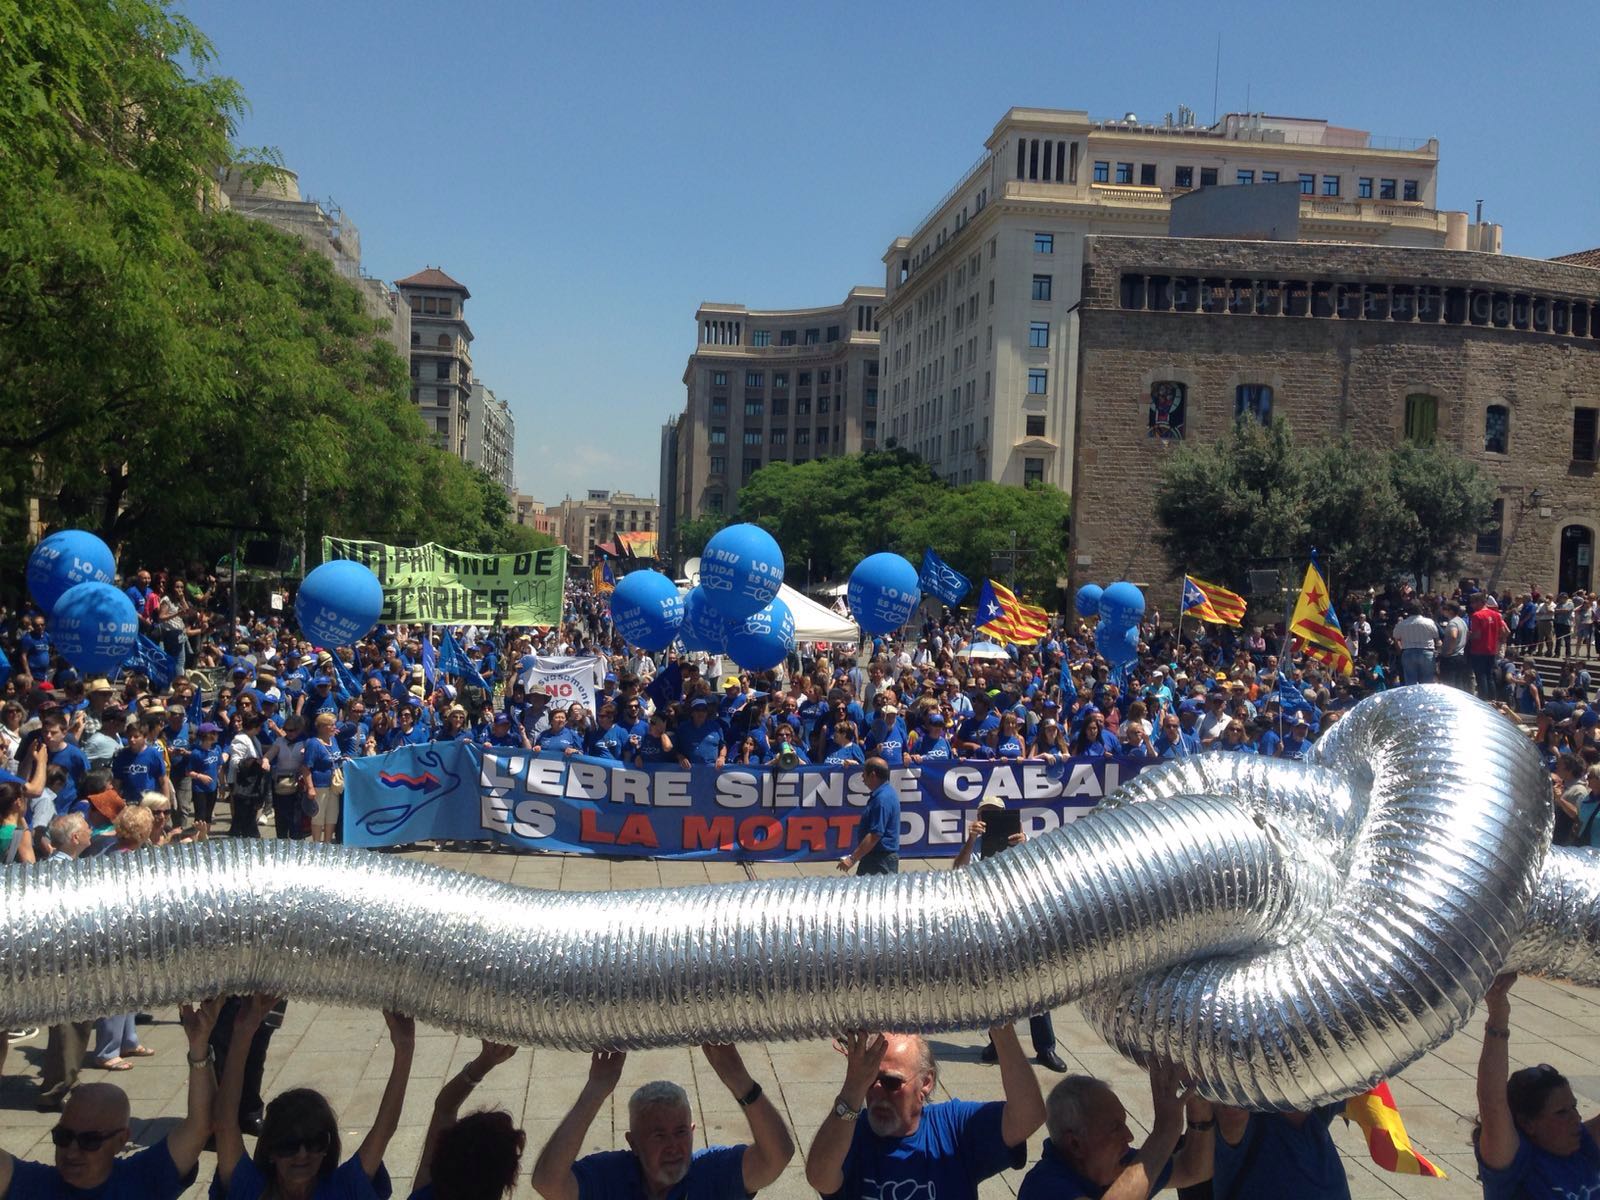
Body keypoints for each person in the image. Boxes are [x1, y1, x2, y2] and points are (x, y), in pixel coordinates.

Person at [0, 998, 223, 1198]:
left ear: (121, 1140)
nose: (72, 1151)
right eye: (63, 1137)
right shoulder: (33, 1185)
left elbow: (200, 1126)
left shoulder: (142, 1178)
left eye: (90, 1141)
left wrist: (199, 1045)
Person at [212, 993, 412, 1200]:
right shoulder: (250, 1189)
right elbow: (224, 1124)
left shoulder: (344, 1188)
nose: (302, 1154)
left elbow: (384, 1130)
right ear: (270, 1150)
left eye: (316, 1142)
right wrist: (243, 1032)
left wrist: (405, 1047)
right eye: (288, 1144)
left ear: (328, 1147)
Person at [531, 1043, 793, 1200]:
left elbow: (777, 1157)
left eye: (680, 1132)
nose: (673, 1146)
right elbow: (548, 1183)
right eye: (658, 1135)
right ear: (633, 1143)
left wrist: (739, 1079)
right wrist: (595, 1090)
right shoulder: (612, 1176)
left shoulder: (710, 1173)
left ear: (693, 1132)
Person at [805, 1029, 1044, 1200]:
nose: (877, 1092)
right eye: (870, 1080)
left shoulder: (953, 1128)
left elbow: (1028, 1116)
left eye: (891, 1082)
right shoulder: (850, 1136)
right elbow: (818, 1177)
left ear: (926, 1082)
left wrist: (1001, 1028)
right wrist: (852, 1090)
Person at [954, 797, 1068, 1073]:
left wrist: (1025, 846)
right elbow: (957, 871)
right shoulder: (975, 845)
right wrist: (970, 841)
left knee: (1036, 989)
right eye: (985, 814)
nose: (990, 819)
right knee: (995, 992)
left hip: (1020, 925)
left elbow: (1043, 877)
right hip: (989, 926)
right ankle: (998, 1043)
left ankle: (1045, 1048)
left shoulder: (1022, 843)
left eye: (996, 814)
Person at [1475, 972, 1600, 1198]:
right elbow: (1492, 1101)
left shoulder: (1583, 1147)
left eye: (1574, 1107)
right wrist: (1498, 1015)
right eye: (1561, 1112)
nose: (1576, 1118)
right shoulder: (1516, 1165)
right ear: (1528, 1123)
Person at [1018, 1065, 1213, 1200]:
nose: (1129, 1136)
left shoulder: (1118, 1164)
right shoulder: (1043, 1186)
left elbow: (1193, 1170)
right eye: (1114, 1128)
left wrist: (1198, 1104)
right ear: (1075, 1144)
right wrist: (1164, 1132)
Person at [409, 1041, 522, 1200]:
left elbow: (444, 1109)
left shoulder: (430, 1194)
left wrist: (484, 1063)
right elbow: (444, 1109)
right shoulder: (429, 1192)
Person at [35, 812, 94, 1113]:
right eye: (86, 829)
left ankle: (64, 1080)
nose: (90, 831)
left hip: (67, 958)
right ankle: (56, 1088)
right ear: (74, 838)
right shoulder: (61, 873)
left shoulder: (60, 867)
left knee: (74, 1024)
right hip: (65, 961)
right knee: (69, 1026)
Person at [839, 757, 898, 875]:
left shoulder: (882, 799)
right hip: (875, 857)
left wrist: (852, 859)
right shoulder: (885, 793)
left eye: (864, 774)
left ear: (873, 775)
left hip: (878, 861)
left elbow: (875, 835)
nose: (862, 777)